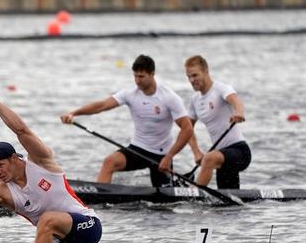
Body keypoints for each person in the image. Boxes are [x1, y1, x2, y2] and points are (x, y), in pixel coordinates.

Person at [0, 82, 101, 243]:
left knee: (47, 220)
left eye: (0, 165)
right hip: (61, 241)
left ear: (15, 158)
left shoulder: (41, 162)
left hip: (88, 226)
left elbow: (21, 129)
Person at [61, 54, 193, 187]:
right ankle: (101, 199)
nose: (137, 80)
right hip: (138, 149)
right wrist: (74, 113)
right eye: (135, 76)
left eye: (141, 76)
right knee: (109, 162)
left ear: (152, 74)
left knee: (164, 204)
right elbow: (102, 105)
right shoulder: (130, 94)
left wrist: (169, 157)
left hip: (162, 155)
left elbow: (187, 129)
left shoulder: (169, 97)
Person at [184, 55, 251, 189]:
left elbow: (236, 101)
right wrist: (196, 152)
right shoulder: (195, 100)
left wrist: (239, 113)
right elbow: (187, 129)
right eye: (189, 77)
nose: (192, 80)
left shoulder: (221, 88)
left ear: (206, 71)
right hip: (222, 156)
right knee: (228, 204)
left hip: (239, 152)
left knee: (209, 158)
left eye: (195, 75)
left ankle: (193, 195)